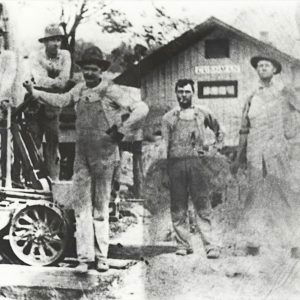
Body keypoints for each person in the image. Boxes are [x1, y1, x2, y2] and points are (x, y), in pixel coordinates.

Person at [23, 46, 129, 272]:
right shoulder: (79, 90)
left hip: (105, 156)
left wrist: (122, 130)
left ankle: (102, 258)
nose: (89, 73)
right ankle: (84, 259)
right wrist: (35, 93)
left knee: (101, 210)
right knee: (82, 209)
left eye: (93, 69)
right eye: (85, 70)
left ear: (101, 70)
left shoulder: (111, 90)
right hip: (82, 157)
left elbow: (140, 108)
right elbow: (60, 100)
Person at [232, 55, 300, 255]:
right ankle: (253, 244)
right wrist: (238, 157)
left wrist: (293, 146)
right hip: (255, 155)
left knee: (286, 197)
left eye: (266, 65)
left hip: (280, 154)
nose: (262, 68)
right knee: (255, 198)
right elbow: (244, 129)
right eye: (259, 66)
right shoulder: (251, 96)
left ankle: (295, 244)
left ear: (275, 70)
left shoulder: (285, 92)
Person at [162, 79, 225, 258]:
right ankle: (183, 244)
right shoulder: (168, 118)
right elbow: (164, 146)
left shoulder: (203, 113)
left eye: (187, 91)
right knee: (178, 206)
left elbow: (220, 132)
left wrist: (213, 151)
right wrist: (165, 171)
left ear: (193, 93)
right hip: (176, 165)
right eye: (180, 91)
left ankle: (211, 245)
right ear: (176, 93)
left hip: (198, 165)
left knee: (203, 205)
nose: (183, 95)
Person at [25, 23, 71, 180]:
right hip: (34, 103)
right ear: (45, 42)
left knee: (53, 143)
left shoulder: (65, 55)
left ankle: (53, 181)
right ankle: (31, 180)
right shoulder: (35, 56)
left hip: (52, 104)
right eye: (52, 40)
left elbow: (63, 81)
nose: (56, 44)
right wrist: (53, 81)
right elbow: (38, 79)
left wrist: (49, 82)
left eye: (58, 40)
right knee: (33, 141)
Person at [111, 92, 149, 199]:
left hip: (133, 138)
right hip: (125, 138)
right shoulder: (120, 107)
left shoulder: (139, 106)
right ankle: (118, 193)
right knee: (120, 165)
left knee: (136, 166)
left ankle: (138, 193)